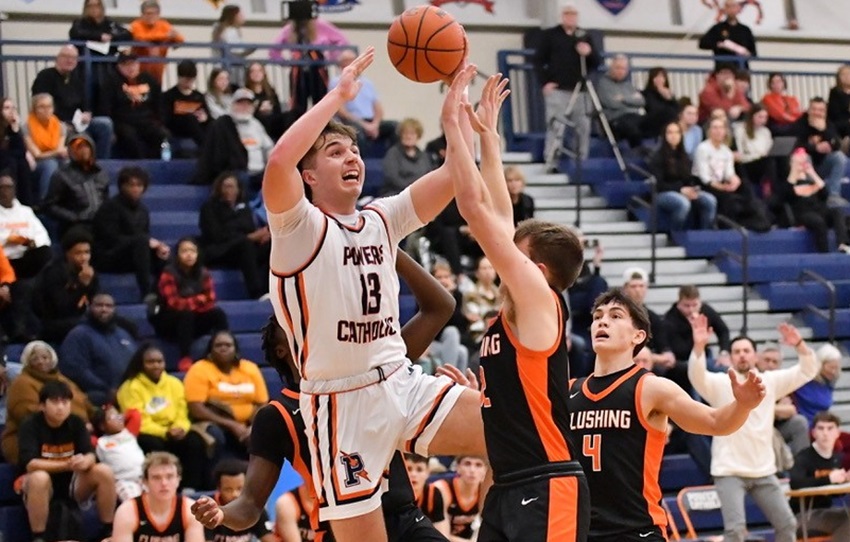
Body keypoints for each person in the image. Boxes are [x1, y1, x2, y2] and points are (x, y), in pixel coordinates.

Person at [261, 47, 483, 541]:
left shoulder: (382, 218)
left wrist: (456, 115)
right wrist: (337, 98)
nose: (352, 157)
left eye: (355, 151)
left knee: (520, 434)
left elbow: (452, 175)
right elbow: (279, 160)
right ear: (309, 176)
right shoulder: (299, 227)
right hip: (341, 406)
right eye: (335, 152)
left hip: (402, 382)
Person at [192, 248, 457, 542]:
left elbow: (440, 306)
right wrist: (223, 514)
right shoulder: (276, 415)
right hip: (343, 530)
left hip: (405, 520)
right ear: (282, 348)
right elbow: (251, 504)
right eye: (291, 318)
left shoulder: (370, 370)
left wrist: (385, 245)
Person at [437, 66, 592, 540]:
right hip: (506, 485)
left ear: (539, 272)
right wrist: (489, 138)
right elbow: (500, 215)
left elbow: (474, 208)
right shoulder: (517, 310)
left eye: (516, 255)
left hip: (549, 484)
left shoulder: (541, 300)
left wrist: (452, 128)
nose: (502, 253)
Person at [567, 288, 765, 541]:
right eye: (597, 317)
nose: (602, 321)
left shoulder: (651, 387)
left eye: (615, 316)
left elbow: (716, 422)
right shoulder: (569, 390)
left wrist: (742, 405)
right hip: (579, 531)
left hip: (635, 530)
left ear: (637, 336)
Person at [688, 324, 820, 542]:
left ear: (755, 356)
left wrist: (799, 344)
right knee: (735, 532)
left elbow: (807, 370)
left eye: (746, 351)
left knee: (787, 524)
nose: (742, 355)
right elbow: (696, 376)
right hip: (729, 469)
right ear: (730, 358)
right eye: (737, 352)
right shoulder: (721, 383)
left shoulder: (770, 381)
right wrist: (699, 346)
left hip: (763, 470)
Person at [17, 379, 116, 542]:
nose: (61, 407)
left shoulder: (76, 422)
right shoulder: (30, 425)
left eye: (65, 402)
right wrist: (67, 464)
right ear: (42, 406)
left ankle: (108, 530)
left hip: (72, 483)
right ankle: (38, 537)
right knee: (39, 477)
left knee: (104, 471)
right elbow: (31, 463)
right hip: (40, 487)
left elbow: (90, 454)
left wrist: (86, 461)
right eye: (55, 402)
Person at [117, 342, 211, 491]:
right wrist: (164, 432)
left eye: (159, 361)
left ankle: (190, 488)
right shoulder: (130, 387)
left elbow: (182, 412)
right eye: (150, 362)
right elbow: (137, 419)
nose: (156, 365)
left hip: (174, 430)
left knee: (194, 441)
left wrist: (180, 428)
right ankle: (158, 487)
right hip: (148, 433)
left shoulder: (174, 383)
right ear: (141, 364)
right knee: (154, 444)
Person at [1, 340, 93, 465]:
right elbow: (26, 415)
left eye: (45, 357)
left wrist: (98, 416)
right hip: (32, 441)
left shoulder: (63, 379)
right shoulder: (21, 383)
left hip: (70, 436)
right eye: (35, 358)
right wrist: (79, 425)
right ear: (28, 362)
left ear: (52, 359)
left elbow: (84, 402)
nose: (41, 361)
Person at [184, 330, 269, 458]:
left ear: (235, 349)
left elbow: (262, 403)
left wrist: (253, 426)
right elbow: (196, 409)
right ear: (210, 350)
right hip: (215, 422)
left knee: (270, 431)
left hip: (248, 423)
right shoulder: (199, 369)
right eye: (218, 345)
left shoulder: (250, 368)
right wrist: (232, 425)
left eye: (228, 345)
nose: (223, 348)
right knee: (215, 435)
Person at [534, 1, 600, 164]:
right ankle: (551, 160)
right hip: (558, 90)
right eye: (567, 14)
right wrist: (545, 82)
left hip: (581, 90)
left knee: (583, 127)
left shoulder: (584, 36)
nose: (571, 17)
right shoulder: (550, 35)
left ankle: (581, 162)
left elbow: (596, 62)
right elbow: (538, 60)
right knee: (556, 126)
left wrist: (589, 52)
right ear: (562, 16)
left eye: (574, 14)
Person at [92, 165, 170, 299]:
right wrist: (144, 241)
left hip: (133, 255)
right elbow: (110, 239)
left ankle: (163, 294)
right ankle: (146, 293)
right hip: (108, 256)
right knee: (142, 242)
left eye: (139, 185)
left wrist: (157, 247)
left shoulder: (143, 210)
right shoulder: (109, 207)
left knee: (163, 254)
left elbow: (144, 236)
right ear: (122, 186)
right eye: (131, 185)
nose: (135, 189)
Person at [151, 237, 229, 370]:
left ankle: (221, 352)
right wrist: (198, 300)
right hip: (169, 322)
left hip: (192, 320)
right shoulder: (168, 273)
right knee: (185, 314)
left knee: (218, 314)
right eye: (184, 251)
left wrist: (192, 302)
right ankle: (185, 357)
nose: (189, 254)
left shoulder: (204, 273)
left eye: (192, 251)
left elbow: (210, 300)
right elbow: (174, 303)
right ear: (178, 254)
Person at [31, 44, 114, 159]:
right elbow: (40, 105)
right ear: (58, 58)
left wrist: (87, 113)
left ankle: (102, 163)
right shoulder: (45, 77)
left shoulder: (76, 78)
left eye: (73, 58)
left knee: (105, 123)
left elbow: (85, 104)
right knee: (80, 138)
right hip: (58, 124)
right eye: (66, 56)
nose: (70, 60)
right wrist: (61, 123)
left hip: (79, 122)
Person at [199, 171, 270, 300]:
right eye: (225, 186)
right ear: (219, 188)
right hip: (220, 251)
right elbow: (216, 236)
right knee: (246, 245)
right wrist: (248, 238)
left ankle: (271, 290)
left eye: (232, 186)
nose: (228, 190)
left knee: (271, 245)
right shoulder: (209, 208)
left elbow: (250, 229)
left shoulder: (244, 208)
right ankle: (256, 292)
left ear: (238, 189)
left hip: (245, 251)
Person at [693, 117, 771, 232]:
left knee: (746, 187)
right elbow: (705, 177)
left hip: (721, 182)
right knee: (728, 198)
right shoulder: (702, 149)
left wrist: (735, 180)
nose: (718, 131)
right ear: (709, 131)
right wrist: (722, 187)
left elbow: (729, 173)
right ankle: (728, 227)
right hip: (704, 184)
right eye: (715, 128)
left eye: (721, 128)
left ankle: (759, 220)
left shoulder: (726, 151)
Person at [58, 293, 136, 406]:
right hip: (97, 396)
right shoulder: (78, 334)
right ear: (90, 307)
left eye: (109, 306)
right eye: (99, 305)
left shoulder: (123, 334)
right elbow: (76, 370)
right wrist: (107, 389)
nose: (104, 309)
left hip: (128, 393)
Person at [111, 451, 205, 542]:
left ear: (178, 479)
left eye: (169, 476)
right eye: (156, 477)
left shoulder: (191, 510)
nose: (164, 483)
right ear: (145, 482)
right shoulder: (127, 511)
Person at [270, 15, 350, 119]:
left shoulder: (320, 25)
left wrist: (331, 57)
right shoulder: (290, 28)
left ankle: (323, 129)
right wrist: (285, 62)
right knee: (298, 105)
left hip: (318, 67)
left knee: (321, 102)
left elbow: (342, 40)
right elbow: (273, 50)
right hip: (298, 68)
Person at [789, 411, 850, 540]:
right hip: (801, 516)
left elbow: (833, 493)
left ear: (837, 433)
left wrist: (844, 480)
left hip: (825, 512)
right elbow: (795, 483)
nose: (825, 433)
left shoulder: (837, 458)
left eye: (830, 428)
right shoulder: (803, 457)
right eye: (821, 428)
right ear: (813, 433)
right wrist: (829, 479)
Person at [194, 89, 274, 188]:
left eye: (248, 104)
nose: (244, 107)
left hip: (260, 173)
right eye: (240, 103)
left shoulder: (257, 124)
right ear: (233, 105)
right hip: (238, 173)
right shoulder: (224, 125)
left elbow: (269, 148)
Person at [33, 227, 99, 343]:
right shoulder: (53, 272)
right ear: (67, 253)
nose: (84, 257)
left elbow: (95, 299)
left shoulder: (89, 272)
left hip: (82, 318)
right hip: (55, 324)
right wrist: (82, 285)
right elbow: (62, 309)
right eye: (78, 253)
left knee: (124, 324)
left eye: (87, 252)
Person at [776, 148, 850, 253]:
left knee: (837, 212)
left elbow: (825, 194)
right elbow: (785, 197)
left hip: (819, 209)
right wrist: (794, 171)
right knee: (818, 222)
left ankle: (843, 244)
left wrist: (812, 173)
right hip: (802, 213)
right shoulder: (788, 182)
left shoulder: (812, 180)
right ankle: (824, 253)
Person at [650, 121, 718, 231]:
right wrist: (680, 190)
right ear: (664, 136)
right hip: (663, 193)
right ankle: (675, 233)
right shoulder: (657, 157)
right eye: (670, 133)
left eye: (677, 133)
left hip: (683, 190)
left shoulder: (684, 156)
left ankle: (704, 233)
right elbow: (659, 184)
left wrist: (693, 189)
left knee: (710, 200)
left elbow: (688, 179)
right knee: (683, 203)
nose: (674, 136)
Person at [330, 49, 398, 158]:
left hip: (371, 121)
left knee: (396, 126)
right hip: (351, 121)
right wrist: (364, 125)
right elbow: (342, 111)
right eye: (346, 61)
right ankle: (362, 166)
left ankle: (393, 160)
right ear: (341, 65)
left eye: (352, 60)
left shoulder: (368, 83)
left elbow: (378, 108)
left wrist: (375, 124)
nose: (350, 64)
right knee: (357, 132)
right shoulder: (336, 82)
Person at [663, 285, 731, 393]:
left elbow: (723, 330)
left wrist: (724, 353)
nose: (691, 310)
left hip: (705, 356)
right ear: (679, 304)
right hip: (682, 361)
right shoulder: (670, 319)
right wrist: (693, 330)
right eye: (686, 306)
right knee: (695, 375)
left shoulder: (705, 310)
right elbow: (679, 350)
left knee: (726, 370)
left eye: (694, 305)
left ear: (699, 302)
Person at [100, 51, 167, 159]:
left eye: (133, 63)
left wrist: (161, 122)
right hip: (124, 123)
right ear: (119, 67)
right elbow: (105, 108)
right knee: (130, 137)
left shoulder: (149, 80)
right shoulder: (111, 82)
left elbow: (158, 104)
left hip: (146, 120)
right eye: (126, 64)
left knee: (161, 135)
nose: (131, 68)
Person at [43, 132, 108, 236]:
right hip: (74, 225)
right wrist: (73, 217)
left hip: (99, 223)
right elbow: (49, 206)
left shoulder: (101, 174)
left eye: (86, 146)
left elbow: (106, 201)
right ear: (71, 151)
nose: (83, 150)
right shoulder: (61, 175)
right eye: (78, 147)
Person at [68, 0, 132, 99]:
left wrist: (112, 37)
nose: (94, 8)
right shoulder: (80, 23)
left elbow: (127, 34)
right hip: (86, 65)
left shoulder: (109, 23)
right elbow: (75, 33)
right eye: (90, 6)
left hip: (107, 65)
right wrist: (98, 36)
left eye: (97, 5)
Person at [793, 97, 849, 205]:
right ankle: (812, 196)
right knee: (804, 156)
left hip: (822, 165)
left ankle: (833, 195)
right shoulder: (800, 124)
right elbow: (795, 145)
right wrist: (815, 148)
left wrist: (823, 131)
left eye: (821, 110)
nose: (817, 113)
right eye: (814, 109)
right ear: (808, 110)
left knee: (839, 156)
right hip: (805, 168)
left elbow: (837, 143)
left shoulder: (827, 123)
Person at [205, 459, 274, 542]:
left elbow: (269, 539)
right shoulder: (209, 510)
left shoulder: (256, 508)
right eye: (228, 489)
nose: (235, 494)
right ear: (219, 489)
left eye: (240, 488)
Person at [621, 267, 676, 370]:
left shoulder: (654, 318)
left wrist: (663, 356)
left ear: (646, 288)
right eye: (633, 286)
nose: (637, 290)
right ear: (625, 288)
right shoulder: (617, 316)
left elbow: (666, 352)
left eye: (641, 286)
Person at [0, 172, 52, 280]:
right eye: (1, 187)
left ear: (14, 190)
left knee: (45, 252)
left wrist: (32, 242)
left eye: (8, 187)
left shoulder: (26, 211)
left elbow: (43, 237)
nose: (5, 191)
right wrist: (7, 239)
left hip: (24, 257)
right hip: (4, 260)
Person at [91, 404, 145, 502]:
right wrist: (90, 428)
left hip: (144, 476)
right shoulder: (100, 442)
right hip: (124, 481)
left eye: (118, 415)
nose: (119, 419)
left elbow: (135, 413)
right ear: (102, 426)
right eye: (112, 417)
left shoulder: (128, 432)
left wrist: (119, 415)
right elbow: (86, 438)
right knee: (134, 503)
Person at [597, 54, 651, 152]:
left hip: (634, 116)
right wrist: (632, 100)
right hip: (616, 120)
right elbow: (611, 104)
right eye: (618, 68)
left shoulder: (628, 85)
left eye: (623, 69)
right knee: (631, 126)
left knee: (663, 117)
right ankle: (638, 150)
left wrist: (623, 99)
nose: (621, 71)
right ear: (611, 68)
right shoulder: (603, 84)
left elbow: (642, 101)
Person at [22, 93, 67, 202]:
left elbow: (60, 151)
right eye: (41, 107)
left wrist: (58, 152)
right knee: (50, 164)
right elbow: (36, 155)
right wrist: (56, 152)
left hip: (56, 159)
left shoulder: (60, 126)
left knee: (68, 163)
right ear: (34, 109)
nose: (46, 110)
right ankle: (45, 202)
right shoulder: (26, 127)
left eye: (49, 106)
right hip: (35, 165)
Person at [128, 0, 185, 85]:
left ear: (158, 15)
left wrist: (172, 36)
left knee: (156, 93)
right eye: (147, 13)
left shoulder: (164, 25)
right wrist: (164, 36)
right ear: (142, 15)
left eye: (154, 14)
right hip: (138, 72)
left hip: (157, 72)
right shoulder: (136, 25)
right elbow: (140, 37)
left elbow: (180, 40)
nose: (150, 16)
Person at [433, 456, 486, 541]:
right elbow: (442, 535)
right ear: (457, 467)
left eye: (478, 465)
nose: (472, 470)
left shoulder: (485, 490)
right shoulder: (441, 488)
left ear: (485, 470)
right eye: (467, 464)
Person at [162, 59, 210, 151]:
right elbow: (166, 118)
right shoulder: (169, 96)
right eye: (186, 79)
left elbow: (207, 116)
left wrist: (205, 118)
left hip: (198, 128)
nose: (189, 83)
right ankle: (206, 148)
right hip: (178, 129)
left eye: (191, 80)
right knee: (190, 119)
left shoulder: (198, 96)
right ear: (179, 77)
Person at [792, 344, 844, 426]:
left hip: (820, 427)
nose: (833, 371)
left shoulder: (829, 382)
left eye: (836, 368)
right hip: (803, 427)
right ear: (820, 365)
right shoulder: (803, 378)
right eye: (830, 367)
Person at [381, 117, 434, 197]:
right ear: (401, 135)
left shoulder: (424, 156)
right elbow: (393, 179)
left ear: (418, 136)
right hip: (397, 194)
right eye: (405, 133)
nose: (408, 136)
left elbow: (429, 177)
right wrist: (413, 189)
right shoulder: (393, 153)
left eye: (412, 134)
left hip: (420, 194)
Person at [698, 0, 757, 69]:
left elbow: (753, 52)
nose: (731, 9)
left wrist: (747, 54)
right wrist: (719, 45)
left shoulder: (745, 30)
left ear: (738, 8)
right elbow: (702, 43)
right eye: (728, 6)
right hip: (723, 69)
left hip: (741, 70)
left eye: (733, 6)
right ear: (724, 9)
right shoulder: (718, 28)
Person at [733, 104, 776, 191]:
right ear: (752, 116)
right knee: (769, 163)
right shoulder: (741, 130)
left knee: (778, 160)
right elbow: (741, 155)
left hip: (763, 162)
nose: (763, 120)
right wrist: (758, 156)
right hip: (749, 163)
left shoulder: (766, 131)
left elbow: (769, 150)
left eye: (765, 117)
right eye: (760, 117)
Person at [404, 453, 450, 536]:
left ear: (428, 473)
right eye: (409, 469)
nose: (413, 474)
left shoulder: (433, 493)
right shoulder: (393, 493)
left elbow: (442, 532)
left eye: (419, 469)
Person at [211, 5, 256, 86]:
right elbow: (227, 51)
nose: (243, 17)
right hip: (225, 69)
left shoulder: (235, 30)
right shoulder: (221, 29)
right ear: (233, 16)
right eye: (240, 14)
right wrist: (247, 52)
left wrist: (247, 52)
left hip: (237, 70)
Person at [0, 99, 33, 204]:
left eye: (13, 108)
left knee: (22, 163)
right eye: (6, 108)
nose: (11, 111)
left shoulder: (13, 129)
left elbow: (21, 152)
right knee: (13, 162)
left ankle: (27, 204)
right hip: (3, 162)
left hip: (10, 161)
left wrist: (15, 130)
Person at [245, 61, 287, 140]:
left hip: (273, 125)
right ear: (249, 74)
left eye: (259, 71)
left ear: (263, 73)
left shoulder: (270, 91)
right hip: (257, 126)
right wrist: (258, 108)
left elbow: (278, 111)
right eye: (253, 71)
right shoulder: (246, 92)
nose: (256, 74)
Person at [642, 67, 680, 139]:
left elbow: (677, 110)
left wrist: (669, 98)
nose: (660, 79)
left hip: (669, 123)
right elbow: (653, 108)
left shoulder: (669, 94)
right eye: (657, 76)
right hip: (654, 123)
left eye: (662, 77)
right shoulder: (647, 94)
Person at [827, 64, 850, 141]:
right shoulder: (834, 92)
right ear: (838, 77)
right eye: (843, 74)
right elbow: (834, 112)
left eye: (848, 74)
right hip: (840, 122)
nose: (847, 77)